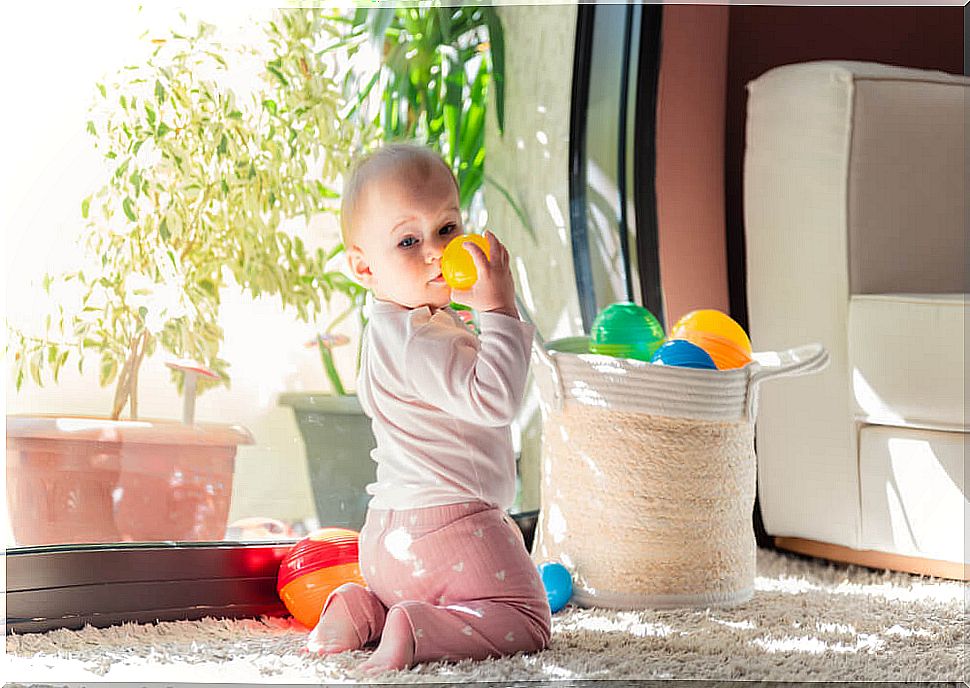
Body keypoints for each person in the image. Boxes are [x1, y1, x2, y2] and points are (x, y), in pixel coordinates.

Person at [305, 143, 551, 674]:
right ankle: (417, 630)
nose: (437, 252)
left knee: (418, 595)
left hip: (385, 545)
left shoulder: (386, 334)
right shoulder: (424, 338)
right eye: (409, 240)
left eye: (446, 228)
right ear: (363, 267)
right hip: (453, 529)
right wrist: (499, 310)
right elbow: (496, 399)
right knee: (526, 618)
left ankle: (361, 608)